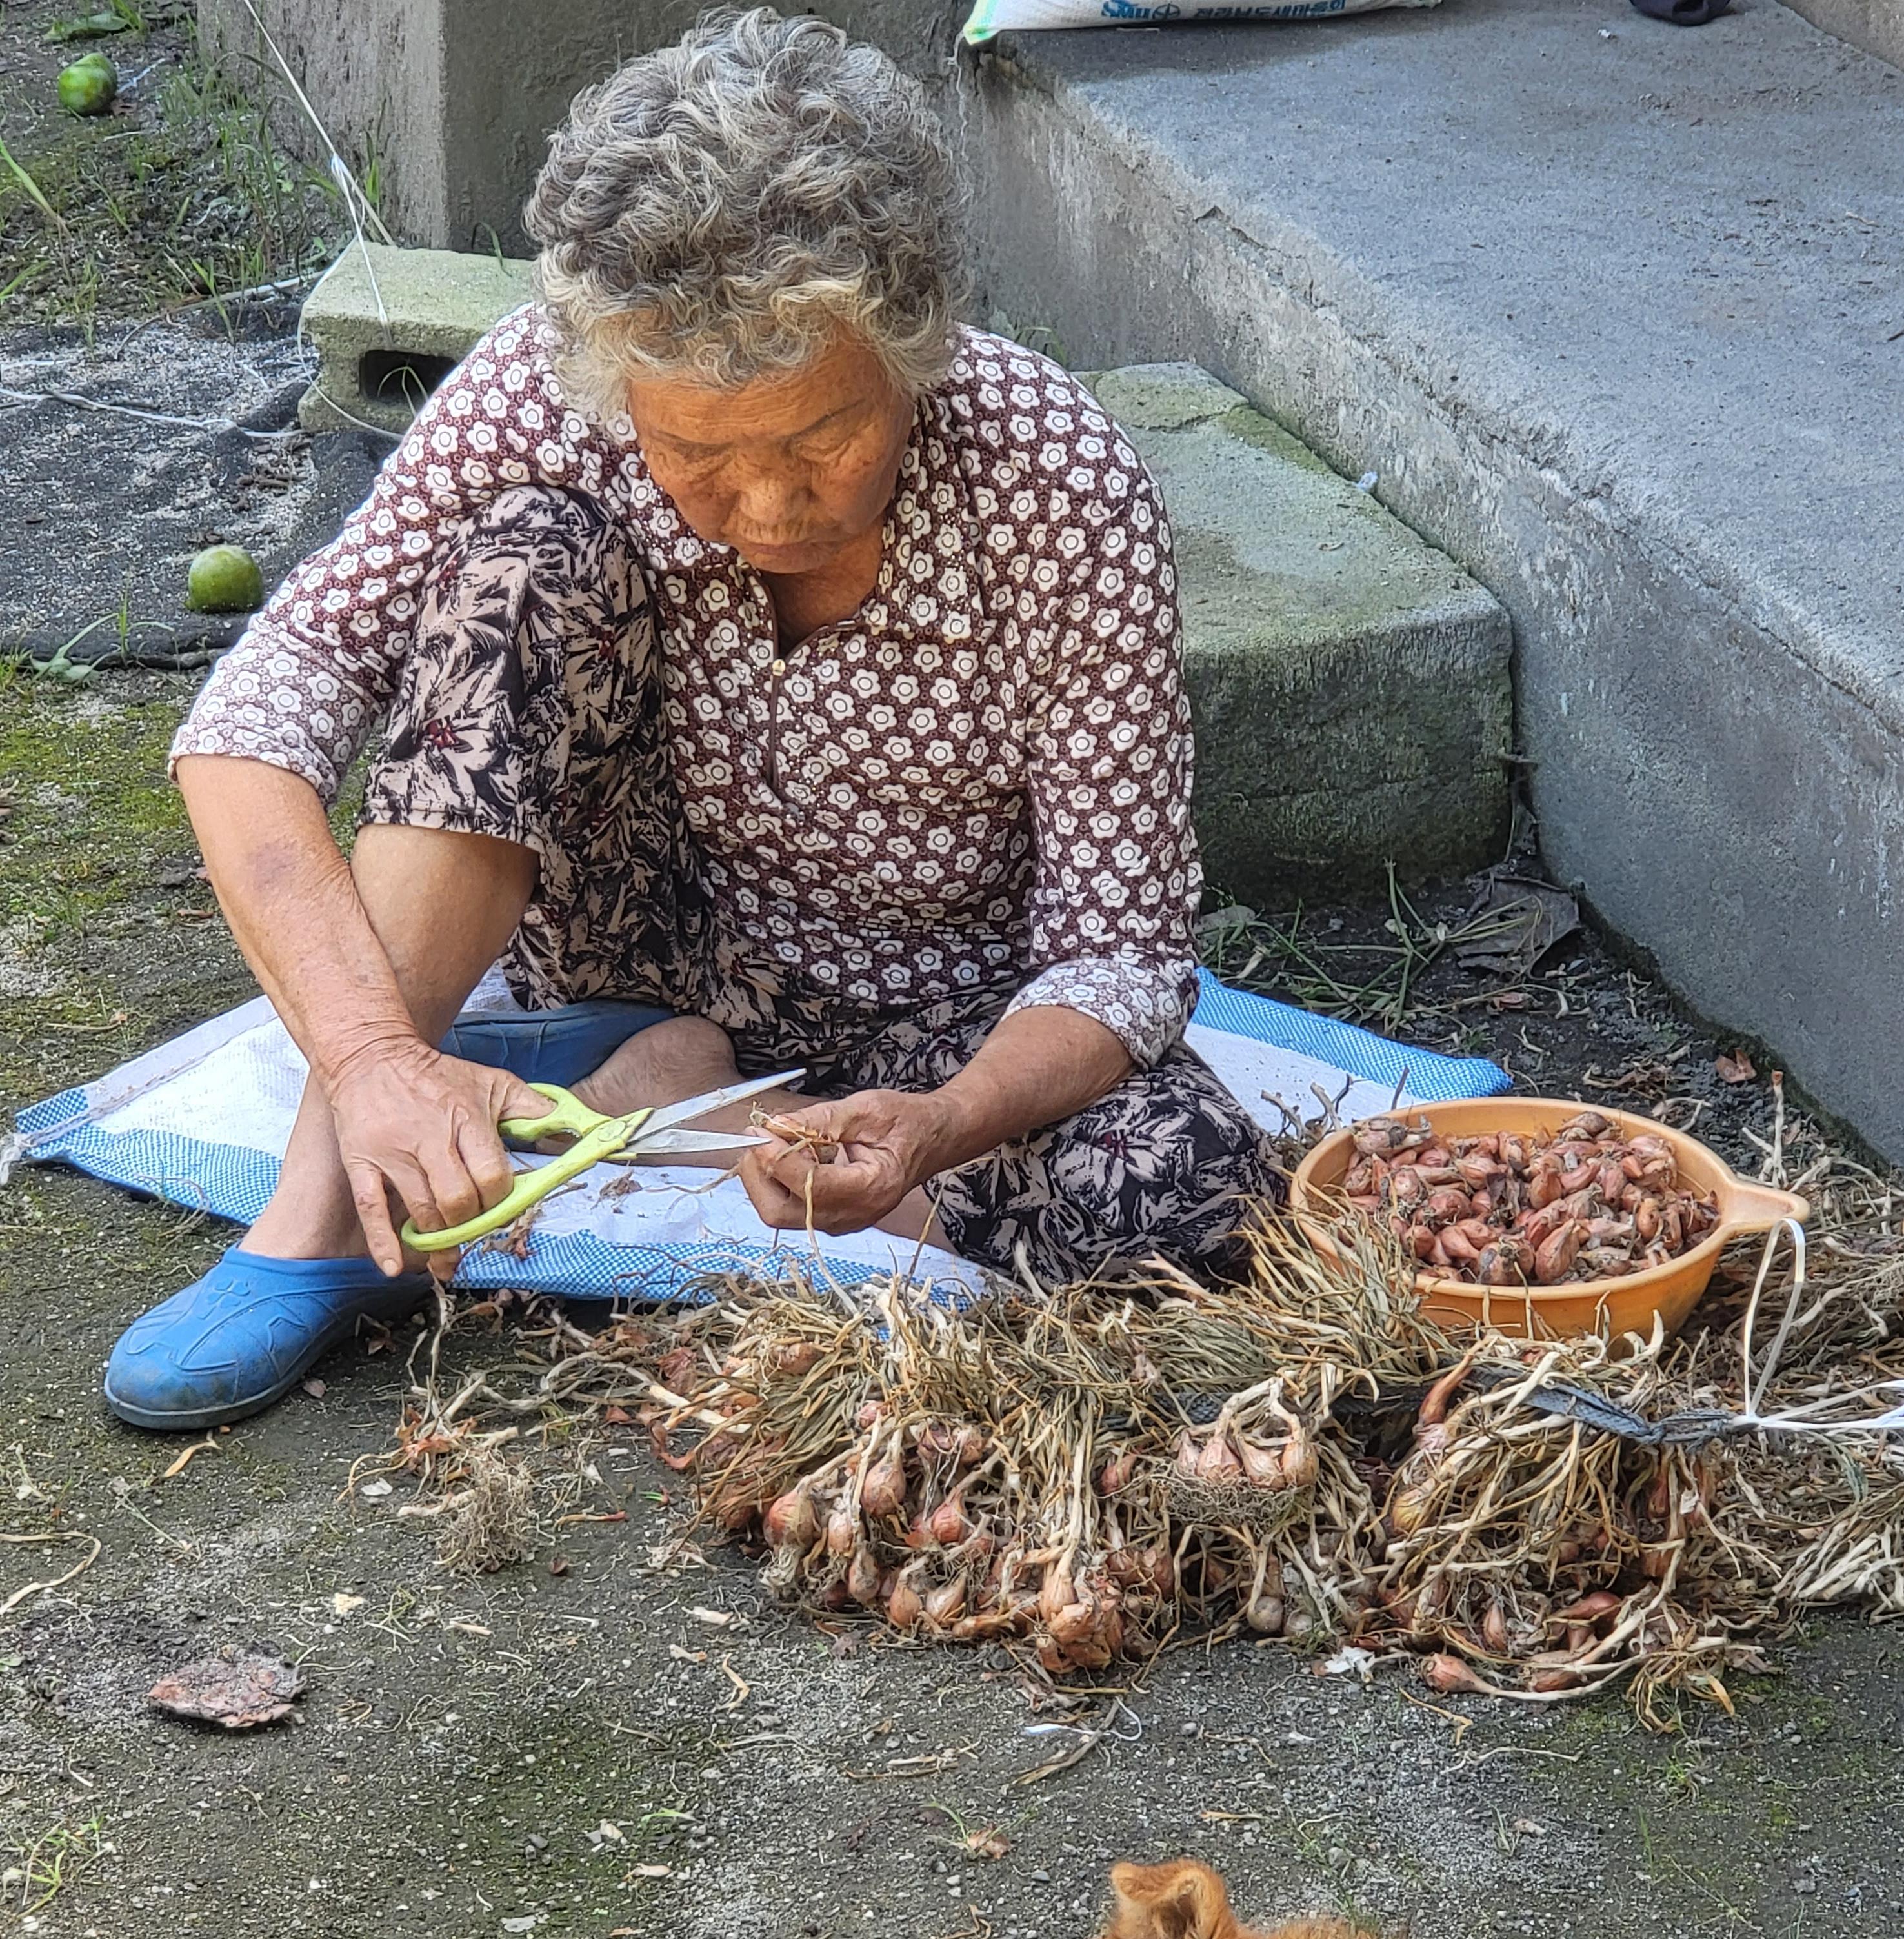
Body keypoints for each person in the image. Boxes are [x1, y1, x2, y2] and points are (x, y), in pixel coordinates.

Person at [105, 6, 1280, 1432]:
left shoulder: (1056, 485)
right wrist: (370, 1061)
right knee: (520, 568)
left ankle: (677, 1098)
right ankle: (330, 1215)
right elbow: (262, 709)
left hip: (932, 1009)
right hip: (626, 922)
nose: (770, 506)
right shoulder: (549, 390)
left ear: (913, 346)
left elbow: (1118, 948)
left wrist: (945, 1122)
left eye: (824, 437)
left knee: (1198, 1192)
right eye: (697, 457)